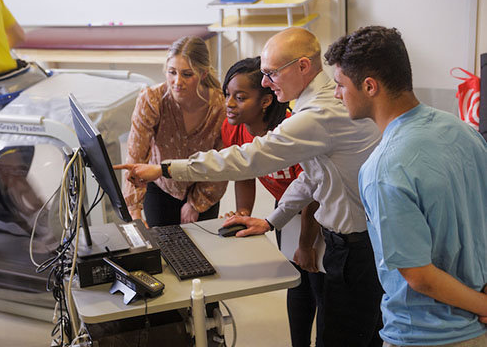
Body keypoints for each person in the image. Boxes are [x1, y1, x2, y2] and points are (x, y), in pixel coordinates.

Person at [118, 27, 384, 347]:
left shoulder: (317, 115)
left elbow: (248, 160)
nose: (266, 82)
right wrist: (272, 220)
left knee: (341, 335)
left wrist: (164, 168)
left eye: (271, 73)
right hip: (358, 237)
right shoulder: (317, 102)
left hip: (355, 244)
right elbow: (312, 176)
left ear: (302, 67)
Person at [326, 26, 487, 347]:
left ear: (369, 86)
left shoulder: (383, 168)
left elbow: (419, 277)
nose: (336, 94)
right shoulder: (463, 131)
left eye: (340, 84)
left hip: (427, 335)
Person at [220, 56, 325, 347]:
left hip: (319, 212)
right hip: (287, 211)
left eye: (240, 97)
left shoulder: (292, 129)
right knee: (297, 281)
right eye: (227, 94)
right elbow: (244, 169)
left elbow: (312, 193)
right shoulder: (235, 126)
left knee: (318, 283)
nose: (229, 103)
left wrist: (305, 244)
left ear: (266, 101)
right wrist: (243, 212)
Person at [119, 36, 227, 227]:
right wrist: (134, 209)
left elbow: (222, 160)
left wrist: (196, 204)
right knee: (161, 249)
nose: (177, 82)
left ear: (202, 74)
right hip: (161, 186)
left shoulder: (220, 106)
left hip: (203, 185)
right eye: (172, 72)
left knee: (201, 252)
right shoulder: (152, 100)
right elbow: (136, 157)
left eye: (187, 74)